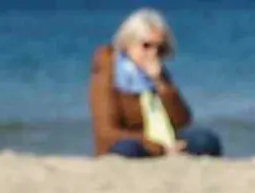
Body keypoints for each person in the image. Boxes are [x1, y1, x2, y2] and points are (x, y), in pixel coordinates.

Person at [88, 8, 222, 158]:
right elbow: (106, 132)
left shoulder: (157, 72)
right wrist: (158, 147)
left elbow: (183, 121)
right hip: (135, 143)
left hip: (166, 141)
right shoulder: (107, 73)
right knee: (128, 149)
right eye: (146, 46)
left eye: (160, 48)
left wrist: (160, 83)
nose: (153, 54)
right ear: (127, 43)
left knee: (205, 141)